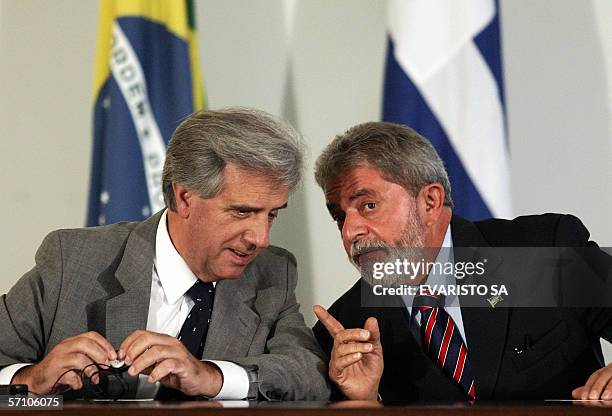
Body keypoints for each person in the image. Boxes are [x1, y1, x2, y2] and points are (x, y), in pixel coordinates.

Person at [0, 108, 329, 401]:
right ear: (185, 198)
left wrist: (210, 376)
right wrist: (32, 379)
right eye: (242, 212)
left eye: (272, 214)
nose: (261, 238)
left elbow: (308, 372)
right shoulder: (74, 260)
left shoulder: (271, 273)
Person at [312, 121, 612, 402]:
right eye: (340, 217)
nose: (350, 231)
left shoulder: (543, 251)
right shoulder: (344, 328)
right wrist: (363, 403)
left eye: (369, 205)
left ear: (430, 201)